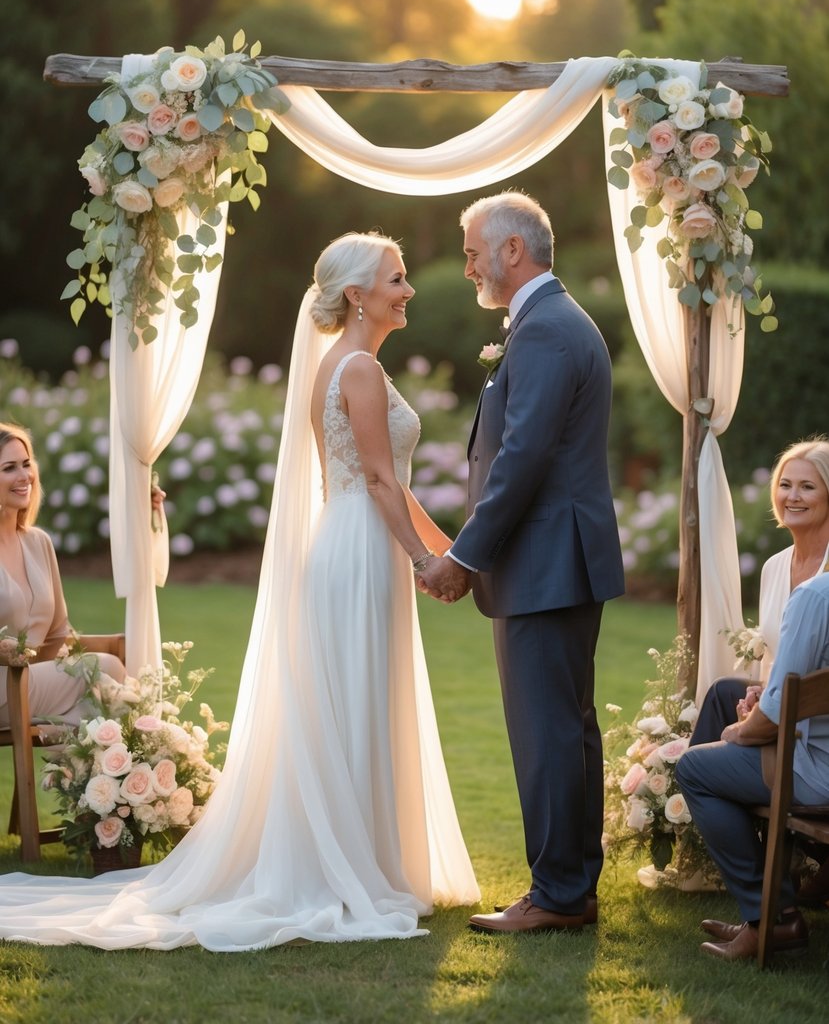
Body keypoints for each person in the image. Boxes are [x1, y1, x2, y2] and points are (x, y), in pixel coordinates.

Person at [0, 232, 478, 949]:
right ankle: (350, 869)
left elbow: (386, 483)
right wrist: (424, 562)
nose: (407, 290)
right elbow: (380, 481)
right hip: (359, 549)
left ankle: (364, 860)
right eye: (396, 278)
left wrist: (453, 551)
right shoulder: (358, 372)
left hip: (352, 542)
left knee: (358, 701)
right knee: (356, 699)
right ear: (356, 294)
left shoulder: (339, 367)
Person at [417, 191, 625, 934]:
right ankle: (570, 886)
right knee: (565, 731)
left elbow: (522, 457)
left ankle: (558, 894)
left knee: (547, 736)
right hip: (557, 560)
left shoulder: (543, 331)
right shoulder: (550, 322)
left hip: (545, 563)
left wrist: (463, 556)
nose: (468, 264)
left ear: (513, 250)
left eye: (474, 250)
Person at [676, 571, 829, 961]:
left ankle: (772, 919)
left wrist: (738, 731)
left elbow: (776, 712)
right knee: (725, 694)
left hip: (818, 771)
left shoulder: (816, 596)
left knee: (695, 768)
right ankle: (770, 909)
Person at [690, 439, 829, 747]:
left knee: (702, 762)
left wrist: (766, 712)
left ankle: (701, 776)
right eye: (785, 485)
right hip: (784, 700)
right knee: (722, 692)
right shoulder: (774, 567)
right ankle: (685, 789)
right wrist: (762, 691)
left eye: (807, 487)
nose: (792, 496)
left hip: (817, 721)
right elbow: (781, 659)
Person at [0, 422, 126, 729]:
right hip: (3, 689)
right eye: (9, 468)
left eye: (26, 464)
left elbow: (58, 634)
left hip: (35, 682)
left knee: (101, 702)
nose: (24, 476)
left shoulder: (38, 542)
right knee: (105, 673)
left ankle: (86, 774)